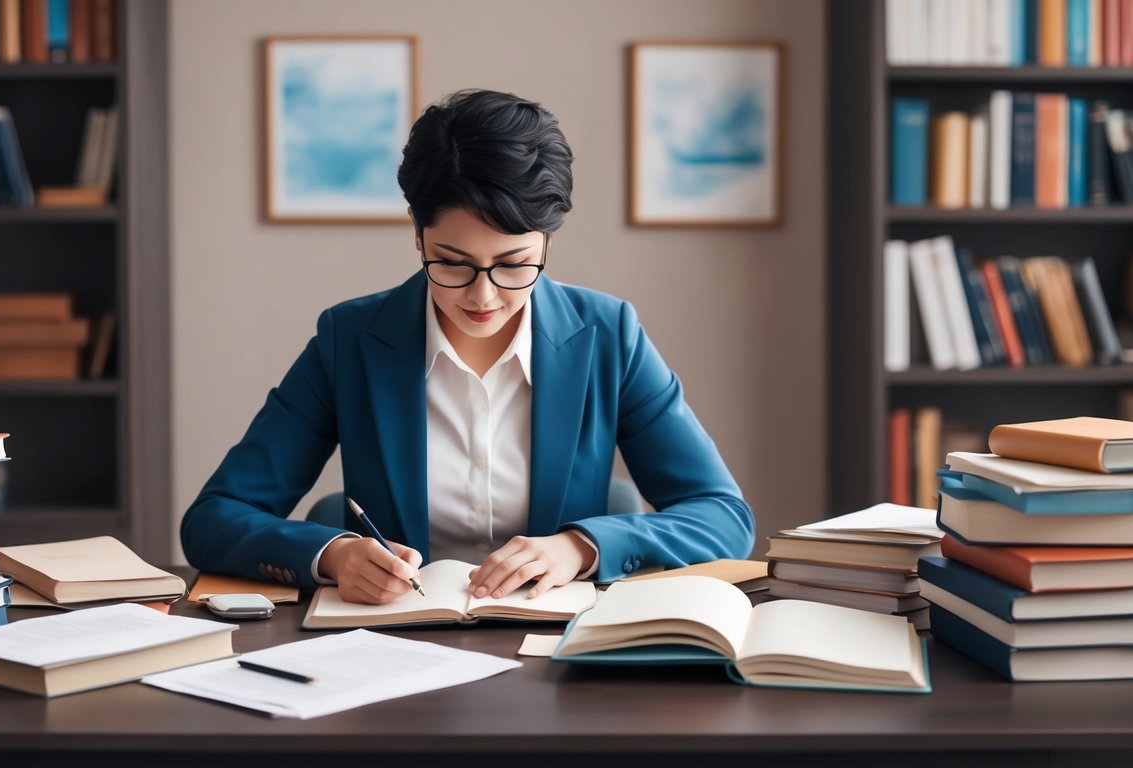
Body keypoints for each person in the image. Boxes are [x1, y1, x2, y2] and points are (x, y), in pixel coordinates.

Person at [181, 89, 754, 605]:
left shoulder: (608, 336)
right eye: (452, 264)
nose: (484, 296)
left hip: (555, 652)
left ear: (546, 241)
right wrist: (331, 555)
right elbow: (214, 518)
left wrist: (581, 547)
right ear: (416, 232)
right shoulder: (349, 340)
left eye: (514, 265)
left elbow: (722, 515)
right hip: (395, 651)